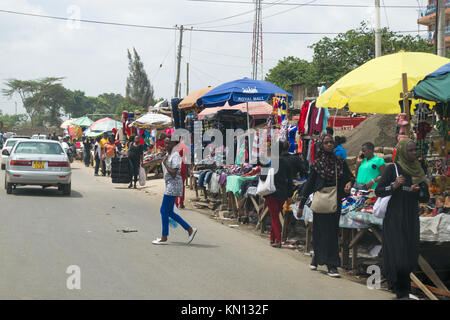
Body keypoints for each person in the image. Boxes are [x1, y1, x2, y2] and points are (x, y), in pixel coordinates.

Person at [375, 138, 429, 300]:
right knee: (397, 253)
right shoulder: (393, 169)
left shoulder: (419, 171)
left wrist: (417, 191)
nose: (414, 153)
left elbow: (425, 197)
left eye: (415, 150)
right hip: (394, 219)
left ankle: (402, 288)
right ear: (403, 152)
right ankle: (399, 289)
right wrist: (394, 186)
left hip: (411, 218)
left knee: (409, 253)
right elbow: (378, 191)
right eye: (411, 150)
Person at [297, 134, 354, 277]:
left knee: (332, 233)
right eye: (326, 142)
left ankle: (332, 265)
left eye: (331, 143)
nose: (329, 145)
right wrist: (301, 205)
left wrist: (349, 184)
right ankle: (317, 257)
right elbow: (309, 185)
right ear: (322, 145)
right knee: (320, 232)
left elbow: (350, 177)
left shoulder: (340, 162)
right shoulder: (317, 164)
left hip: (335, 202)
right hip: (321, 201)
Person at [152, 136, 197, 245]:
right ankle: (189, 229)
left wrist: (166, 164)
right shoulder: (169, 155)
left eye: (169, 143)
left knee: (163, 210)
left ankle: (164, 237)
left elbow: (173, 173)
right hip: (170, 185)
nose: (166, 145)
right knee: (170, 212)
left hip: (173, 185)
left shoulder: (176, 156)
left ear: (175, 145)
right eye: (165, 143)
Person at [261, 140, 293, 248]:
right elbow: (290, 180)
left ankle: (278, 240)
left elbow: (262, 177)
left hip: (271, 193)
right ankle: (272, 238)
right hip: (282, 194)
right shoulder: (286, 162)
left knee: (274, 216)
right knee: (275, 214)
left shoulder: (268, 161)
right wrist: (289, 195)